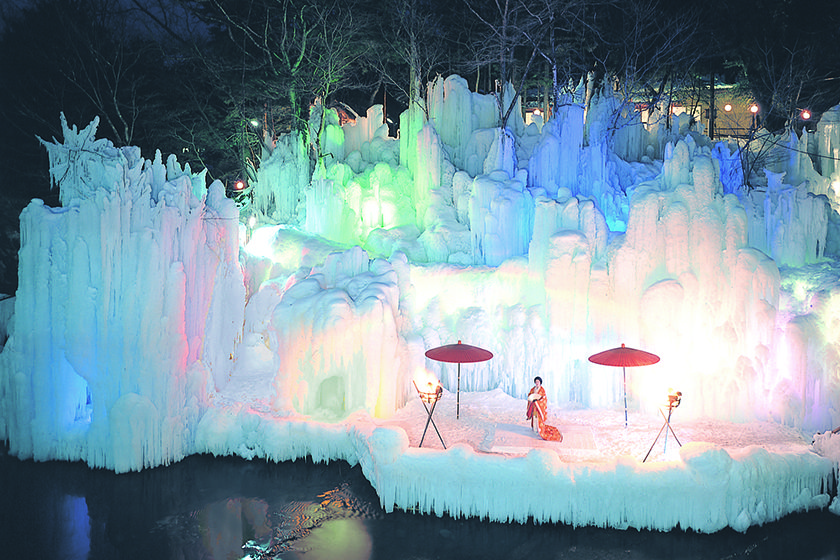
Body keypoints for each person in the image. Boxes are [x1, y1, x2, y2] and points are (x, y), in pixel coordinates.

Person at [526, 376, 563, 442]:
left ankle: (538, 430)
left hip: (539, 407)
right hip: (534, 406)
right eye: (536, 382)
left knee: (538, 418)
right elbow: (530, 396)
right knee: (534, 417)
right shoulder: (533, 389)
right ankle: (534, 429)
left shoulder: (542, 390)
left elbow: (543, 399)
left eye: (538, 382)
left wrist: (537, 401)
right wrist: (531, 399)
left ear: (540, 382)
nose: (537, 383)